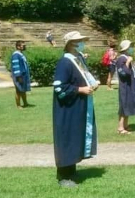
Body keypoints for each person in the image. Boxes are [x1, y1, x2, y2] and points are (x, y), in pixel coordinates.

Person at [53, 31, 99, 187]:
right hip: (67, 109)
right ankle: (63, 176)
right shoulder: (65, 62)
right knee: (67, 137)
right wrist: (80, 90)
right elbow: (60, 88)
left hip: (77, 106)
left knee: (74, 137)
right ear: (71, 44)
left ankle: (71, 171)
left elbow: (83, 77)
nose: (82, 43)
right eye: (79, 41)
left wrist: (91, 85)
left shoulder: (77, 60)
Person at [115, 40, 135, 134]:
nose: (131, 48)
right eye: (130, 46)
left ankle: (125, 125)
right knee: (124, 106)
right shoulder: (121, 59)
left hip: (129, 85)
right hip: (124, 86)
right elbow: (123, 73)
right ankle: (120, 127)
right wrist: (127, 62)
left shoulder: (127, 57)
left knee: (128, 105)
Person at [11, 41, 30, 108]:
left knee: (23, 90)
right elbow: (16, 66)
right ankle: (18, 105)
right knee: (18, 90)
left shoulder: (21, 54)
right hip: (19, 76)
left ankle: (25, 103)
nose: (24, 47)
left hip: (23, 75)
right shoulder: (16, 55)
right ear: (18, 47)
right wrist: (18, 76)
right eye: (23, 45)